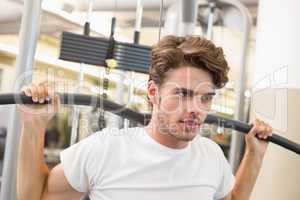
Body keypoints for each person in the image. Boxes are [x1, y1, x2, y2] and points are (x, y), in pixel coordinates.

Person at [17, 35, 273, 200]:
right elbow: (37, 197)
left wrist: (255, 156)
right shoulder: (105, 148)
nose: (196, 108)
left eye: (205, 97)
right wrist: (33, 127)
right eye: (183, 94)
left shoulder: (210, 154)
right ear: (153, 92)